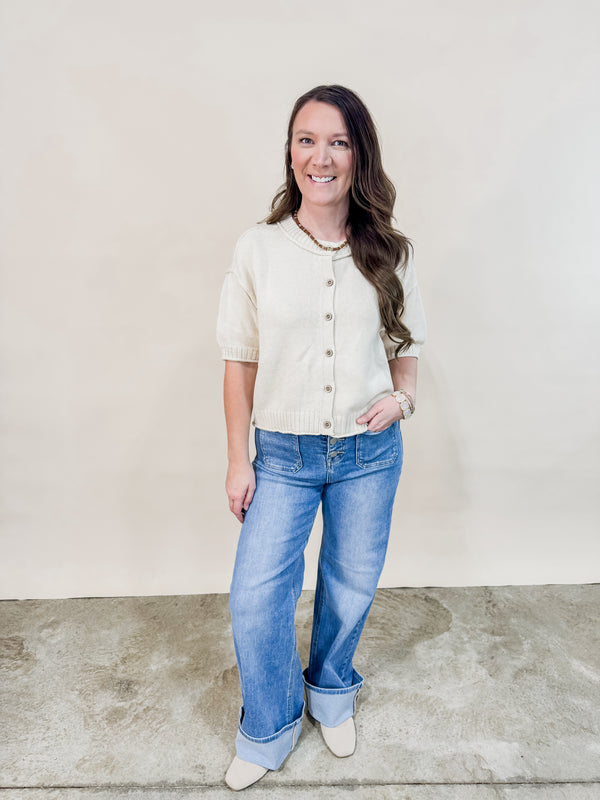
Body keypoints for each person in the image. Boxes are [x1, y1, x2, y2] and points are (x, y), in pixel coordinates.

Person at [216, 84, 426, 791]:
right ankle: (270, 724)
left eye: (338, 141)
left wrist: (401, 400)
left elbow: (408, 344)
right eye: (307, 139)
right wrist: (235, 460)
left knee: (349, 584)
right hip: (283, 454)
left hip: (370, 455)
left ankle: (332, 689)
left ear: (358, 154)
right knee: (255, 595)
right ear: (290, 151)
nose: (321, 155)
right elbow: (238, 358)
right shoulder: (259, 249)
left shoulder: (389, 250)